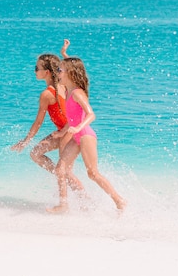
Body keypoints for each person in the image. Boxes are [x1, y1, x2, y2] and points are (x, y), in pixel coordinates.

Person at [47, 57, 126, 213]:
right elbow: (72, 118)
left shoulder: (77, 93)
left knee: (92, 173)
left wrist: (77, 128)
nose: (57, 73)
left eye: (60, 70)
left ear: (70, 73)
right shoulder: (68, 91)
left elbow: (91, 115)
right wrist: (63, 132)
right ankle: (63, 205)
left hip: (85, 135)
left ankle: (120, 201)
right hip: (77, 137)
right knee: (60, 169)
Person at [11, 40, 85, 194]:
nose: (34, 71)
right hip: (65, 131)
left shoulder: (46, 94)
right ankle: (64, 181)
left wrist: (26, 141)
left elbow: (38, 122)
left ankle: (82, 201)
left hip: (68, 133)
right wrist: (64, 54)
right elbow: (74, 73)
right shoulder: (64, 85)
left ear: (47, 73)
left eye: (36, 68)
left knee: (65, 171)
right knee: (36, 154)